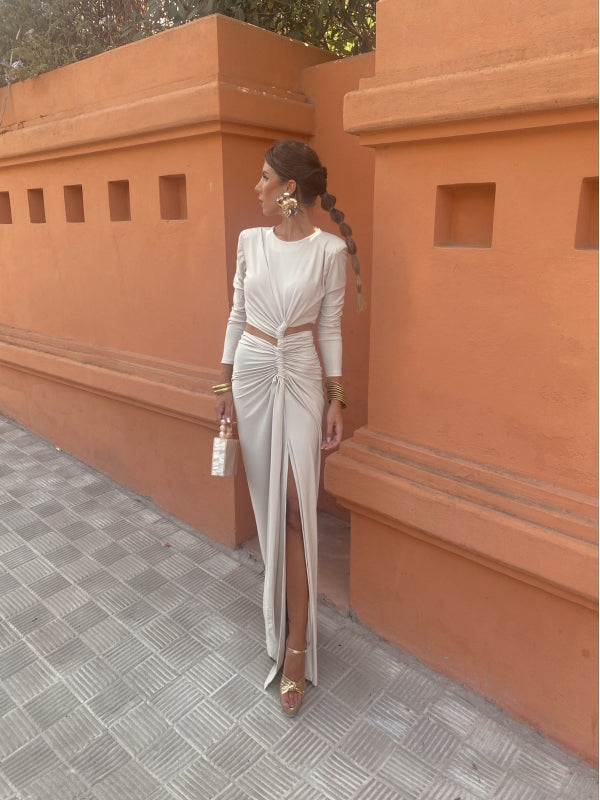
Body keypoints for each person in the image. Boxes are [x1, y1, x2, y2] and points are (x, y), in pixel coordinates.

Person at [214, 139, 364, 716]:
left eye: (264, 177)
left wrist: (336, 398)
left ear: (289, 189)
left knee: (299, 505)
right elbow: (236, 313)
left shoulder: (329, 251)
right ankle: (277, 620)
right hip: (252, 373)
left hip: (301, 373)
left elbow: (330, 327)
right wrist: (223, 385)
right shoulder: (249, 242)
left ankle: (297, 646)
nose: (256, 187)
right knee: (271, 508)